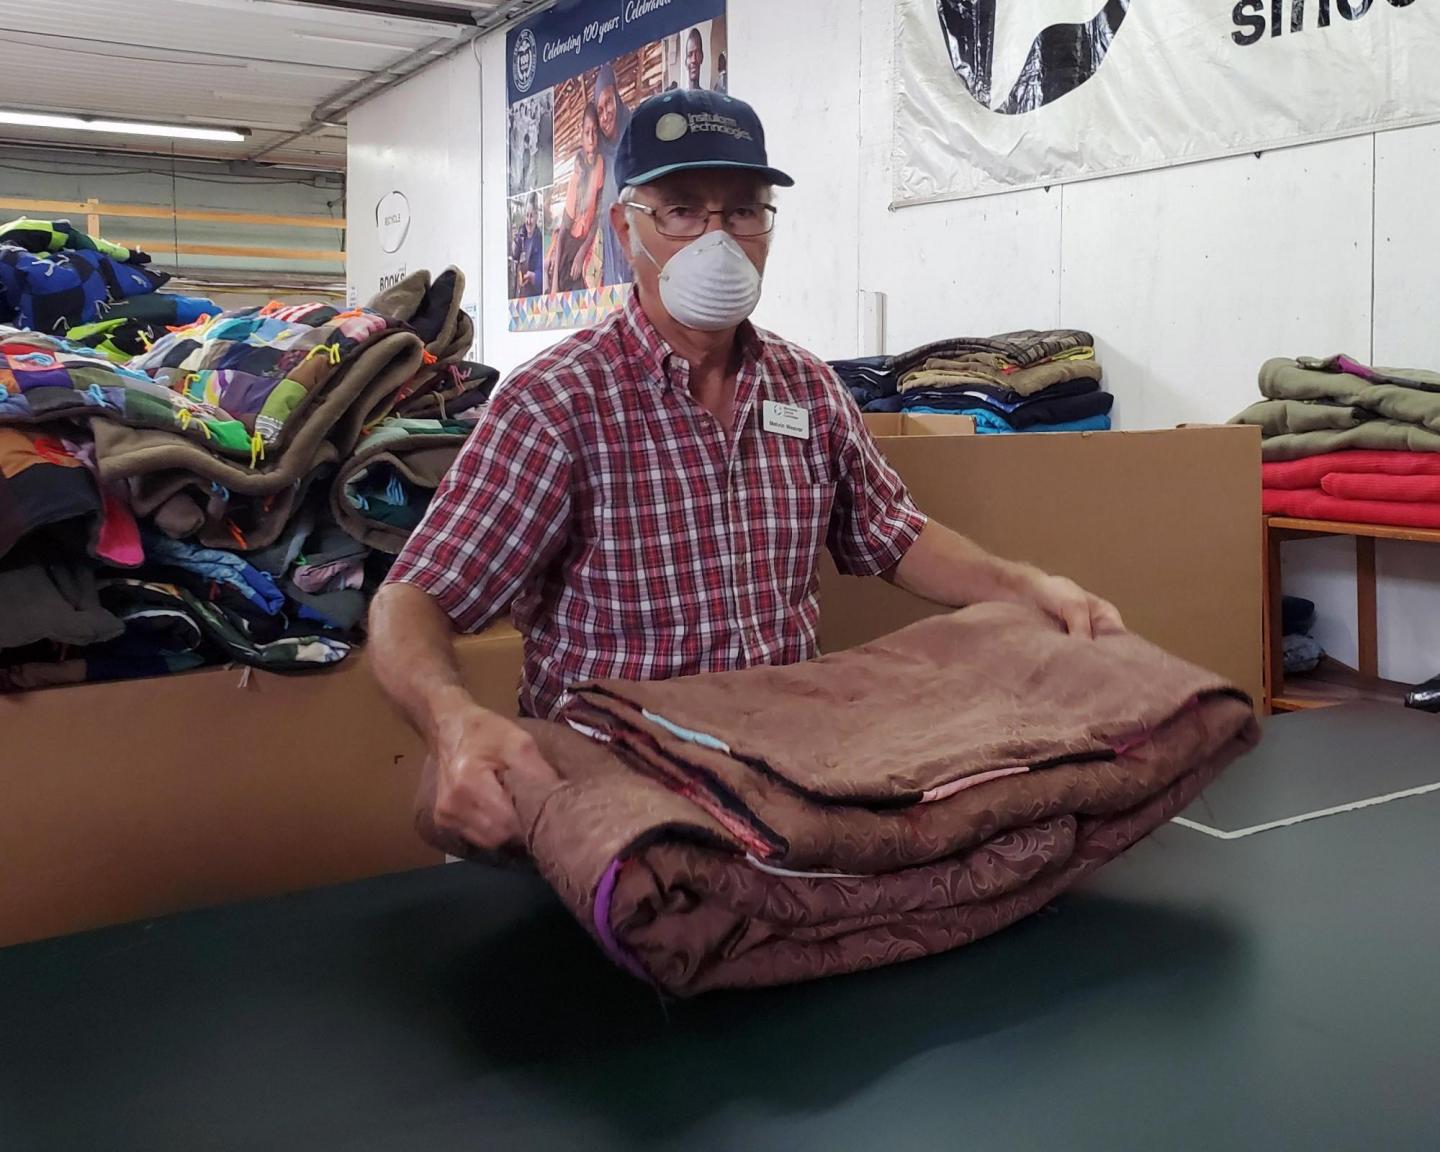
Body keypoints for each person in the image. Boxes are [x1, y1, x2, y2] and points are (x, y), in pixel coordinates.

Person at [370, 90, 1125, 856]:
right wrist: (454, 721)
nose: (717, 239)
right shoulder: (556, 402)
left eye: (743, 212)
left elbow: (894, 536)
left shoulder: (807, 388)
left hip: (787, 776)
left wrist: (1027, 587)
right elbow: (413, 600)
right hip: (613, 789)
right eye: (683, 211)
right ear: (623, 228)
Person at [548, 101, 605, 294]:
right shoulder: (576, 178)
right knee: (565, 289)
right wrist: (555, 283)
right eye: (587, 132)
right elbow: (563, 232)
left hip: (585, 242)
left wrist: (583, 252)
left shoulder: (600, 165)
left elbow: (597, 216)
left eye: (595, 131)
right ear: (581, 134)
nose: (591, 137)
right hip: (569, 243)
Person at [594, 63, 634, 286]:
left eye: (608, 102)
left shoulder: (634, 137)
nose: (606, 114)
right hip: (610, 253)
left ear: (617, 98)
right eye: (599, 110)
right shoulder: (600, 153)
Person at [510, 194, 544, 298]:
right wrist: (514, 241)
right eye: (527, 216)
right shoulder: (521, 233)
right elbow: (514, 256)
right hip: (521, 293)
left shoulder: (540, 239)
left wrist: (533, 277)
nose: (528, 221)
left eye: (531, 216)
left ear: (537, 216)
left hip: (534, 297)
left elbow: (542, 274)